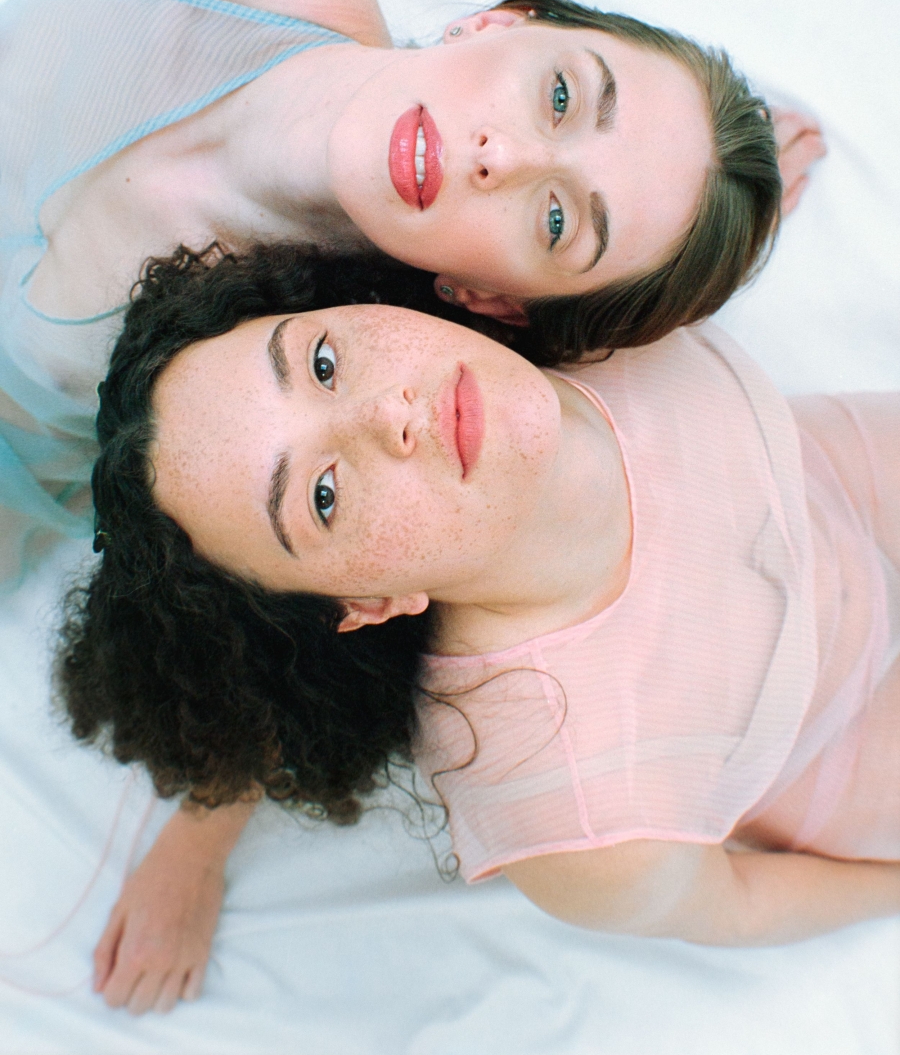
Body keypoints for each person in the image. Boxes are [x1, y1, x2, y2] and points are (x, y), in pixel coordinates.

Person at [59, 244, 899, 1014]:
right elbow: (734, 904)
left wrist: (729, 191)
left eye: (322, 363)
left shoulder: (553, 280)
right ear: (367, 602)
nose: (387, 412)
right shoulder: (574, 807)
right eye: (323, 496)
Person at [1, 0, 825, 576]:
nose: (502, 157)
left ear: (492, 300)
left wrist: (705, 226)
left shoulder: (275, 386)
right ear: (498, 23)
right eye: (560, 96)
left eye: (555, 220)